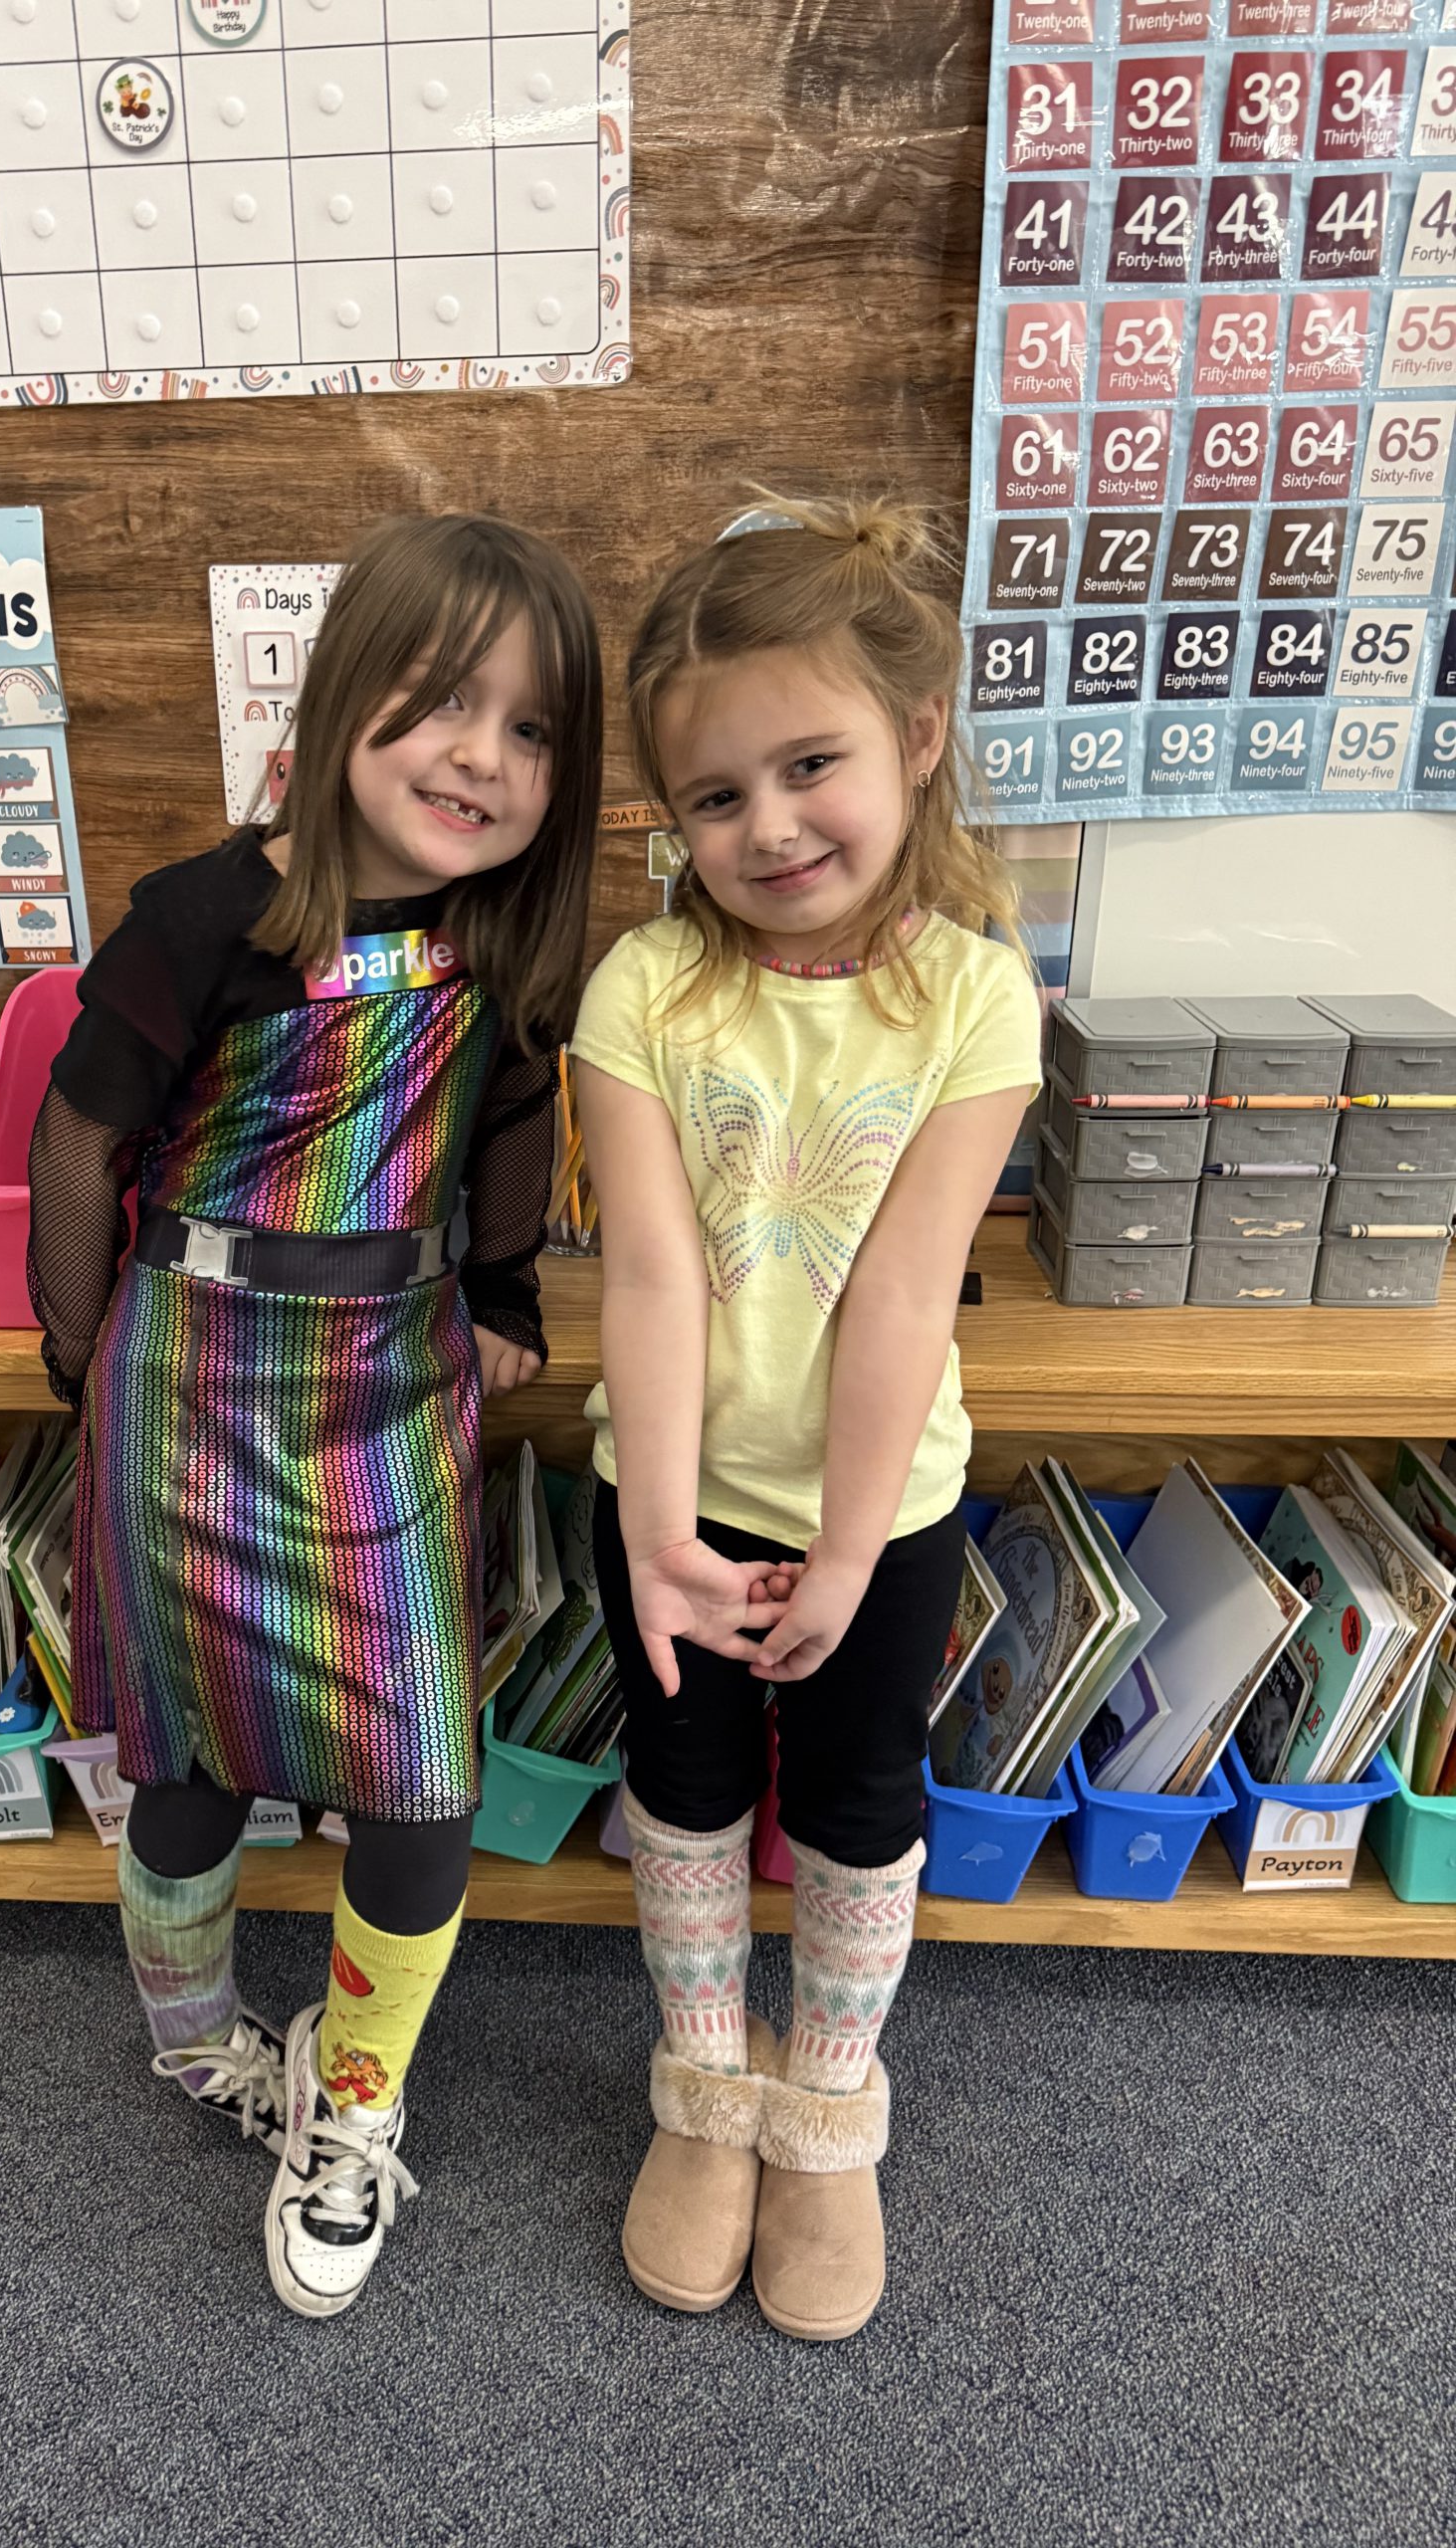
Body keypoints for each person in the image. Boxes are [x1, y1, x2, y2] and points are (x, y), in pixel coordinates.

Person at [26, 513, 601, 2317]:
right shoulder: (202, 914)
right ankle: (198, 2044)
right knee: (186, 1760)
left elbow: (511, 1133)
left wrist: (503, 1297)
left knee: (421, 1774)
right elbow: (76, 1134)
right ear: (343, 695)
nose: (479, 761)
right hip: (184, 1380)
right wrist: (80, 1359)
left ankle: (352, 2107)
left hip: (391, 1391)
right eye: (442, 704)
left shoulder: (508, 940)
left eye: (529, 733)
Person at [571, 495, 1041, 2340]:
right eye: (713, 794)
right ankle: (706, 2086)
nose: (767, 826)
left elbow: (902, 1296)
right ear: (670, 817)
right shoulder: (645, 989)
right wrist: (660, 1532)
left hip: (884, 1504)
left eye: (812, 764)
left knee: (856, 1801)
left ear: (916, 741)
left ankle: (827, 2113)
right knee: (682, 1789)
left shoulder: (973, 996)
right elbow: (654, 1284)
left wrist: (846, 1546)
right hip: (673, 1495)